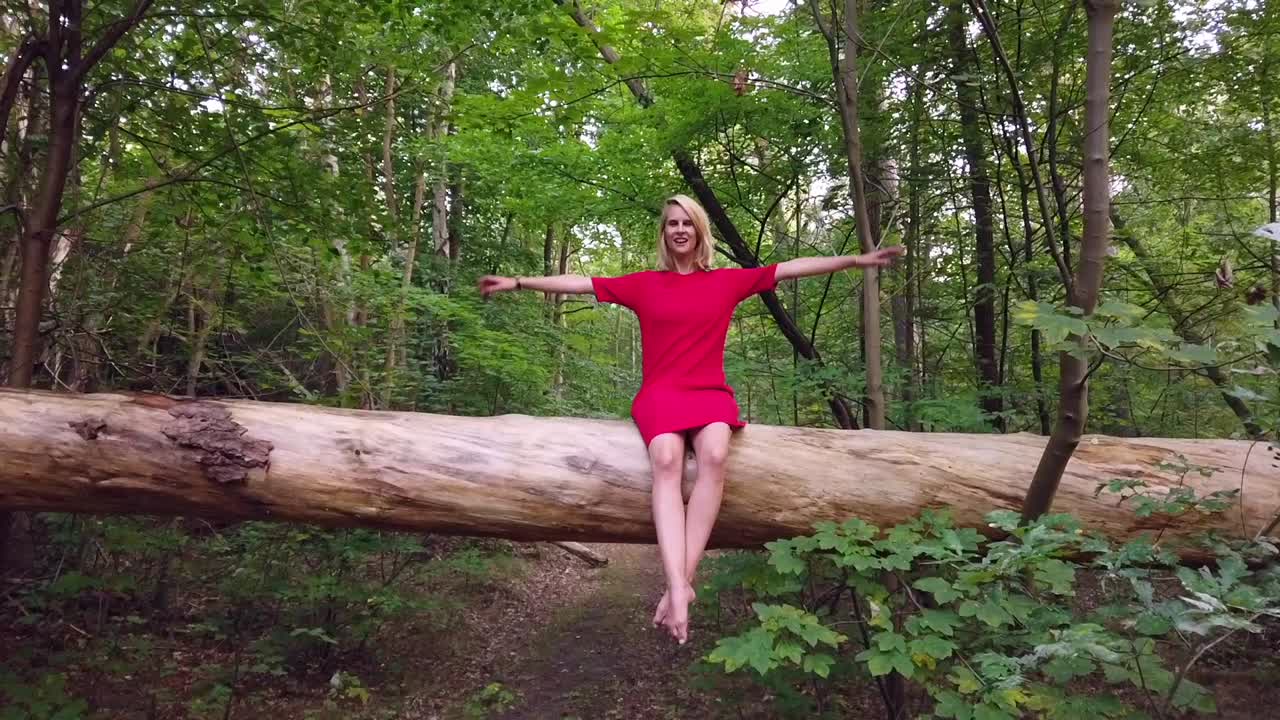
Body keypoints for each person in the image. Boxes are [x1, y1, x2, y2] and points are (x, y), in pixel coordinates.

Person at [478, 194, 904, 644]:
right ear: (664, 234)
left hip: (708, 394)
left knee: (715, 455)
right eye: (671, 224)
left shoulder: (725, 282)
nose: (679, 229)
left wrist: (857, 259)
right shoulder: (643, 284)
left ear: (700, 231)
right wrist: (519, 282)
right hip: (661, 394)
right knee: (666, 460)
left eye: (687, 223)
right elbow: (580, 283)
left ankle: (680, 582)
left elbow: (790, 267)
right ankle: (679, 587)